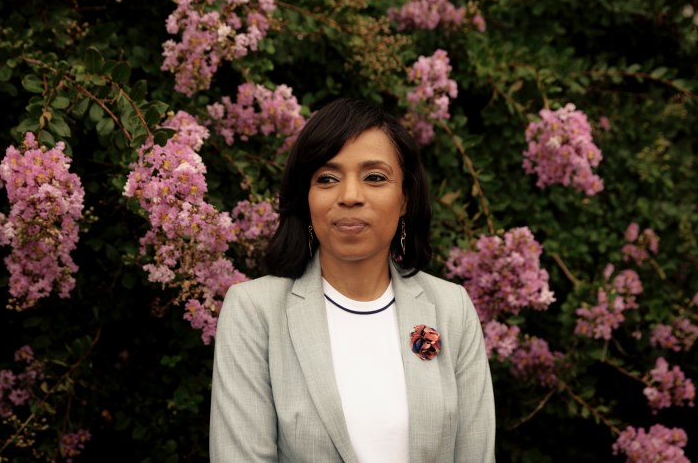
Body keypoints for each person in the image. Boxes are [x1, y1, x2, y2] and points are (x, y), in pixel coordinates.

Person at [210, 98, 495, 462]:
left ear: (405, 197)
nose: (349, 197)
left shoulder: (450, 308)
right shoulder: (255, 313)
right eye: (327, 178)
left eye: (374, 177)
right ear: (306, 196)